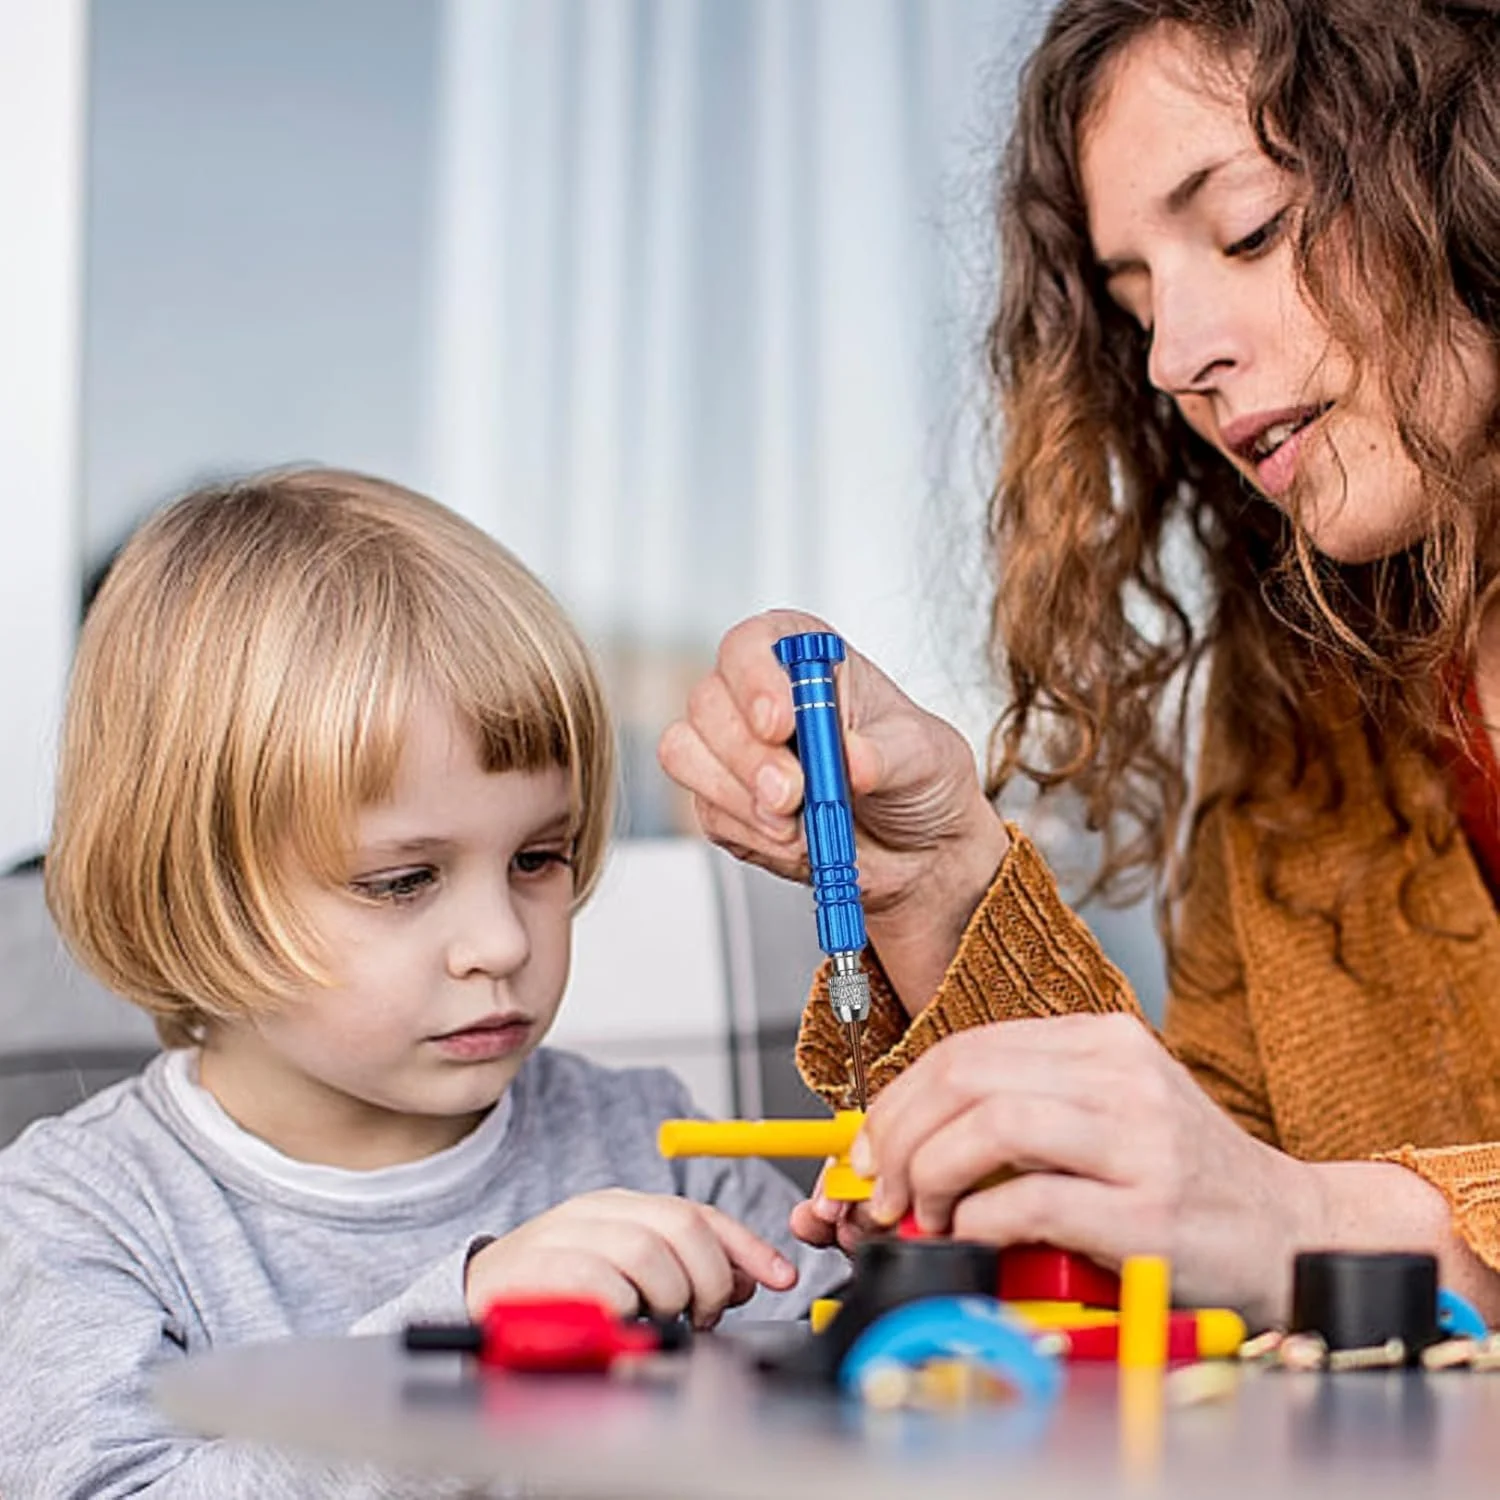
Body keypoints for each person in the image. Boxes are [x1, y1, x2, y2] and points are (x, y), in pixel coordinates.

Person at [660, 0, 1500, 1333]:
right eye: (1135, 301)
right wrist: (933, 878)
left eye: (1252, 230)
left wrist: (1320, 1226)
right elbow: (1212, 1203)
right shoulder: (1305, 698)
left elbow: (1274, 1214)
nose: (1176, 358)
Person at [0, 468, 844, 1498]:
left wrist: (898, 1272)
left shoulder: (653, 1149)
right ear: (193, 888)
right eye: (404, 881)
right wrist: (456, 1348)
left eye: (540, 858)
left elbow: (852, 1422)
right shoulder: (78, 1215)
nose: (499, 941)